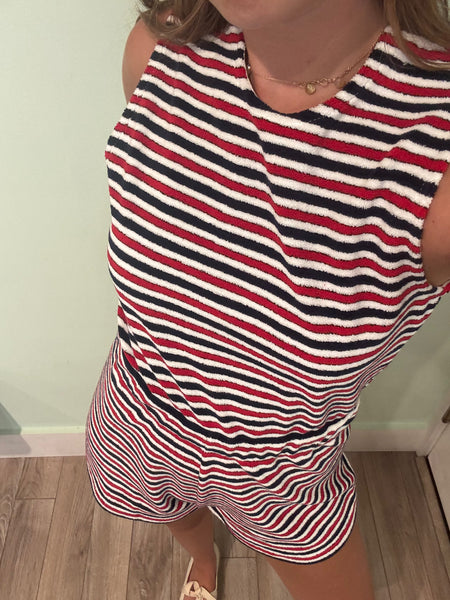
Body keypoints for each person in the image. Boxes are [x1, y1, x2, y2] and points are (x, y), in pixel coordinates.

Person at [86, 1, 450, 599]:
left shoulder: (434, 146)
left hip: (281, 476)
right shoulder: (160, 48)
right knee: (172, 515)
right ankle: (204, 561)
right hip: (134, 417)